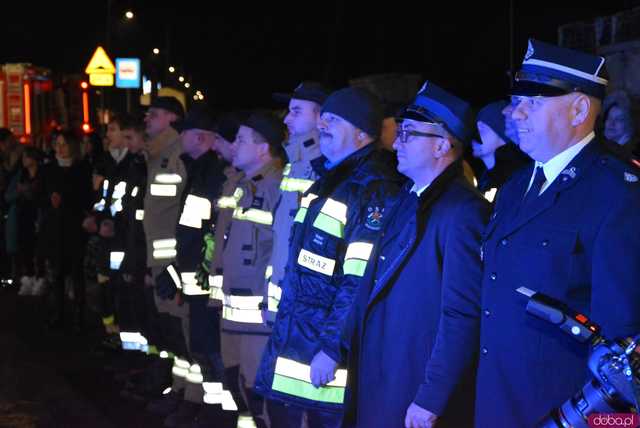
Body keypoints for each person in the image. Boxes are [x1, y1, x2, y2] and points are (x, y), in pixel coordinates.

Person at [475, 39, 640, 428]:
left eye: (532, 102)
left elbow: (621, 346)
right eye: (517, 102)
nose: (515, 114)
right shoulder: (515, 185)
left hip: (560, 411)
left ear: (579, 109)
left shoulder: (617, 193)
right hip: (496, 401)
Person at [255, 87, 404, 427]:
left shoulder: (373, 188)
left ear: (363, 133)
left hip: (328, 350)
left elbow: (358, 279)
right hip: (305, 335)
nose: (322, 125)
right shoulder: (330, 181)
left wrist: (331, 347)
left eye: (334, 120)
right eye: (323, 118)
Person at [342, 82, 489, 428]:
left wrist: (431, 396)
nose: (396, 142)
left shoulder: (463, 212)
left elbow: (461, 314)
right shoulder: (408, 197)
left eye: (409, 134)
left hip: (411, 386)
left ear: (442, 144)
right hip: (382, 373)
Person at [263, 81, 330, 325]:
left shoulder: (325, 164)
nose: (286, 119)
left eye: (296, 111)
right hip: (283, 298)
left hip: (305, 307)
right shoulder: (296, 161)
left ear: (321, 115)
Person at [140, 96, 191, 415]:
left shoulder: (177, 155)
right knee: (171, 330)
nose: (147, 119)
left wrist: (174, 264)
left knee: (181, 330)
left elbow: (179, 212)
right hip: (159, 258)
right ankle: (178, 389)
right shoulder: (158, 154)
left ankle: (186, 396)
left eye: (154, 114)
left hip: (172, 260)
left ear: (172, 118)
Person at [38, 131, 93, 329]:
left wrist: (67, 201)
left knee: (77, 272)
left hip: (74, 226)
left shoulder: (82, 168)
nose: (60, 148)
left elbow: (87, 197)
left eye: (64, 144)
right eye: (57, 144)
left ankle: (79, 313)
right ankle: (58, 312)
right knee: (57, 272)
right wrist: (49, 201)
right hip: (54, 227)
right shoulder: (48, 169)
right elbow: (40, 195)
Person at [471, 100, 529, 201]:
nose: (476, 137)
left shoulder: (512, 177)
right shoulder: (487, 177)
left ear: (501, 133)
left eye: (482, 129)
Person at [603, 90, 638, 157]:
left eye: (618, 119)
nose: (611, 123)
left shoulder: (630, 155)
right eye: (609, 118)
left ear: (628, 124)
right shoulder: (601, 145)